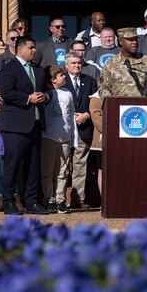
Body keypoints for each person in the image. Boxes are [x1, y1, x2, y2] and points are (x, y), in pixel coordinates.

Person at [0, 36, 52, 215]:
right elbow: (6, 92)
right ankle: (9, 201)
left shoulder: (38, 69)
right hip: (14, 125)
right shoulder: (9, 68)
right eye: (31, 48)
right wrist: (28, 98)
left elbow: (48, 90)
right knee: (12, 165)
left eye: (35, 48)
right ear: (20, 49)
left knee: (33, 165)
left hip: (35, 124)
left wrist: (46, 97)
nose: (34, 51)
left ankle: (32, 201)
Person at [63, 52, 97, 209]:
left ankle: (77, 199)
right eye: (74, 63)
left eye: (79, 63)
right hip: (63, 130)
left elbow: (97, 103)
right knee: (62, 166)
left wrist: (87, 115)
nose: (77, 65)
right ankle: (59, 199)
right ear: (66, 65)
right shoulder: (60, 81)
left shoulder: (89, 81)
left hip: (83, 130)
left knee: (80, 165)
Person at [41, 65, 76, 214]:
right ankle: (49, 199)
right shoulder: (47, 93)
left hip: (65, 137)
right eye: (61, 75)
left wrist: (74, 137)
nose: (64, 77)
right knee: (48, 172)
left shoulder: (68, 93)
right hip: (49, 137)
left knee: (62, 172)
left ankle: (61, 200)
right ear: (53, 79)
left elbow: (72, 115)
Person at [98, 27, 147, 99]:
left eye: (135, 39)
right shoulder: (111, 64)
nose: (134, 42)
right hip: (118, 107)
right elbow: (103, 88)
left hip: (144, 108)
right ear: (121, 42)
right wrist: (112, 102)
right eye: (130, 40)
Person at [88, 91, 103, 197]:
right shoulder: (95, 98)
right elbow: (97, 119)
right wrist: (112, 131)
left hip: (121, 141)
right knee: (102, 170)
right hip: (102, 142)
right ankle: (105, 200)